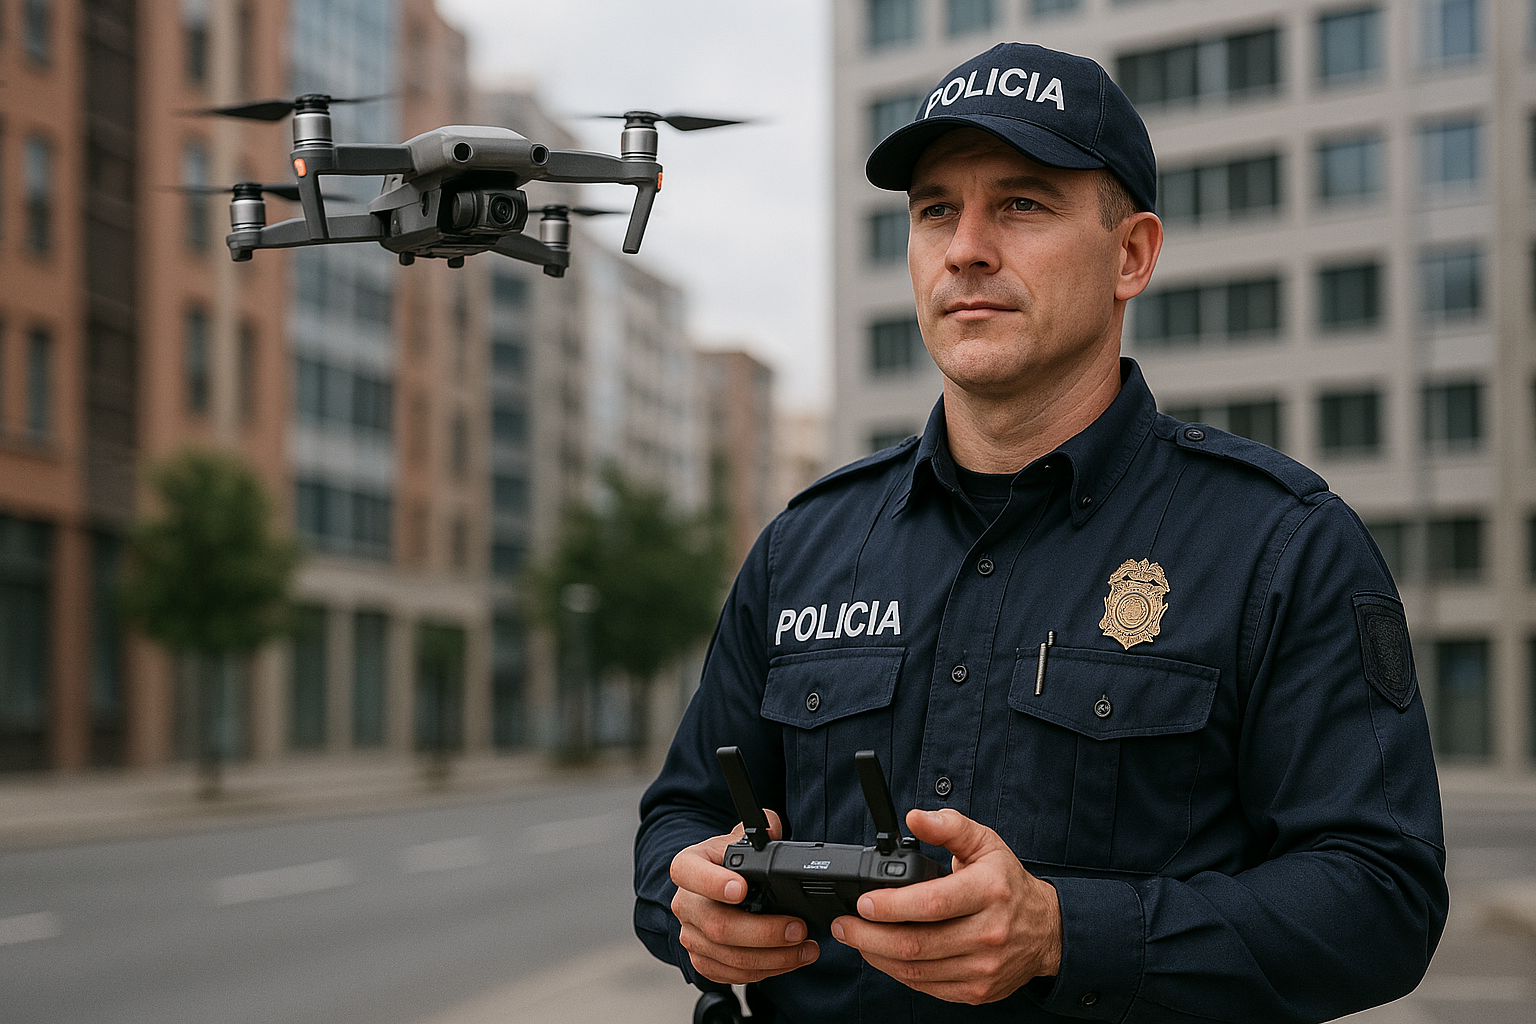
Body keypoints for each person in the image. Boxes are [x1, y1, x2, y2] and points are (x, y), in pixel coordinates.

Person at [634, 41, 1447, 1022]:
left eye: (1021, 203)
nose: (966, 246)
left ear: (1132, 254)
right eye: (937, 208)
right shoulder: (808, 544)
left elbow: (1382, 900)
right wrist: (688, 902)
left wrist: (1066, 930)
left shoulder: (1279, 544)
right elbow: (681, 814)